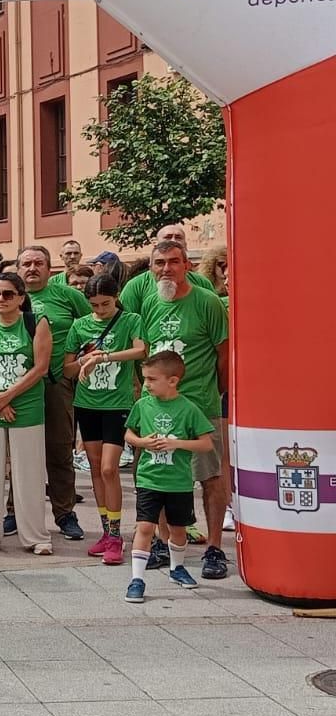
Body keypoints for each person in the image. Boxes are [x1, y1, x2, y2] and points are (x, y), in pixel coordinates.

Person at [141, 238, 231, 579]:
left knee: (210, 478)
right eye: (159, 263)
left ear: (187, 266)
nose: (166, 269)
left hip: (198, 406)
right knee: (161, 478)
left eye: (173, 262)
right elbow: (149, 353)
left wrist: (215, 392)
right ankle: (164, 544)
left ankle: (215, 549)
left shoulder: (207, 302)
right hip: (158, 409)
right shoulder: (151, 303)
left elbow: (224, 356)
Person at [0, 271, 56, 555]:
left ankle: (36, 536)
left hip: (25, 407)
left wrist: (8, 396)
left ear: (21, 297)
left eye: (7, 294)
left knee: (28, 471)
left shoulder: (36, 324)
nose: (0, 299)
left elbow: (40, 367)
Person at [64, 273, 147, 567]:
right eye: (94, 305)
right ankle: (107, 531)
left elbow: (141, 350)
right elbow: (68, 369)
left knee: (111, 468)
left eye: (106, 304)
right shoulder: (79, 325)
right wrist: (84, 361)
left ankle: (116, 535)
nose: (99, 311)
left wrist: (105, 356)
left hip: (117, 403)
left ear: (117, 298)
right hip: (87, 404)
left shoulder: (130, 320)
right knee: (96, 469)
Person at [13, 245, 92, 541]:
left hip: (57, 384)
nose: (32, 268)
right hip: (16, 386)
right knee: (18, 453)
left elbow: (94, 327)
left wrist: (81, 362)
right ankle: (14, 511)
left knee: (59, 449)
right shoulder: (8, 293)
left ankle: (64, 513)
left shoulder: (68, 295)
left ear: (49, 268)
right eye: (26, 263)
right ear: (18, 268)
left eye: (38, 263)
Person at [123, 351, 215, 603]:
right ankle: (137, 579)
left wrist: (179, 443)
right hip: (148, 479)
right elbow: (129, 434)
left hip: (178, 481)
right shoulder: (142, 405)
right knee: (144, 527)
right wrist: (142, 441)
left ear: (172, 380)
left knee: (178, 529)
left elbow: (206, 443)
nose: (147, 385)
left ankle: (177, 567)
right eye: (145, 379)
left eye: (152, 379)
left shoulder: (188, 408)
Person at [119, 223, 215, 316]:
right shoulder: (135, 287)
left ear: (185, 245)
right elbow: (125, 324)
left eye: (178, 237)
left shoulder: (202, 283)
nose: (173, 241)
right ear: (155, 244)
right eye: (168, 237)